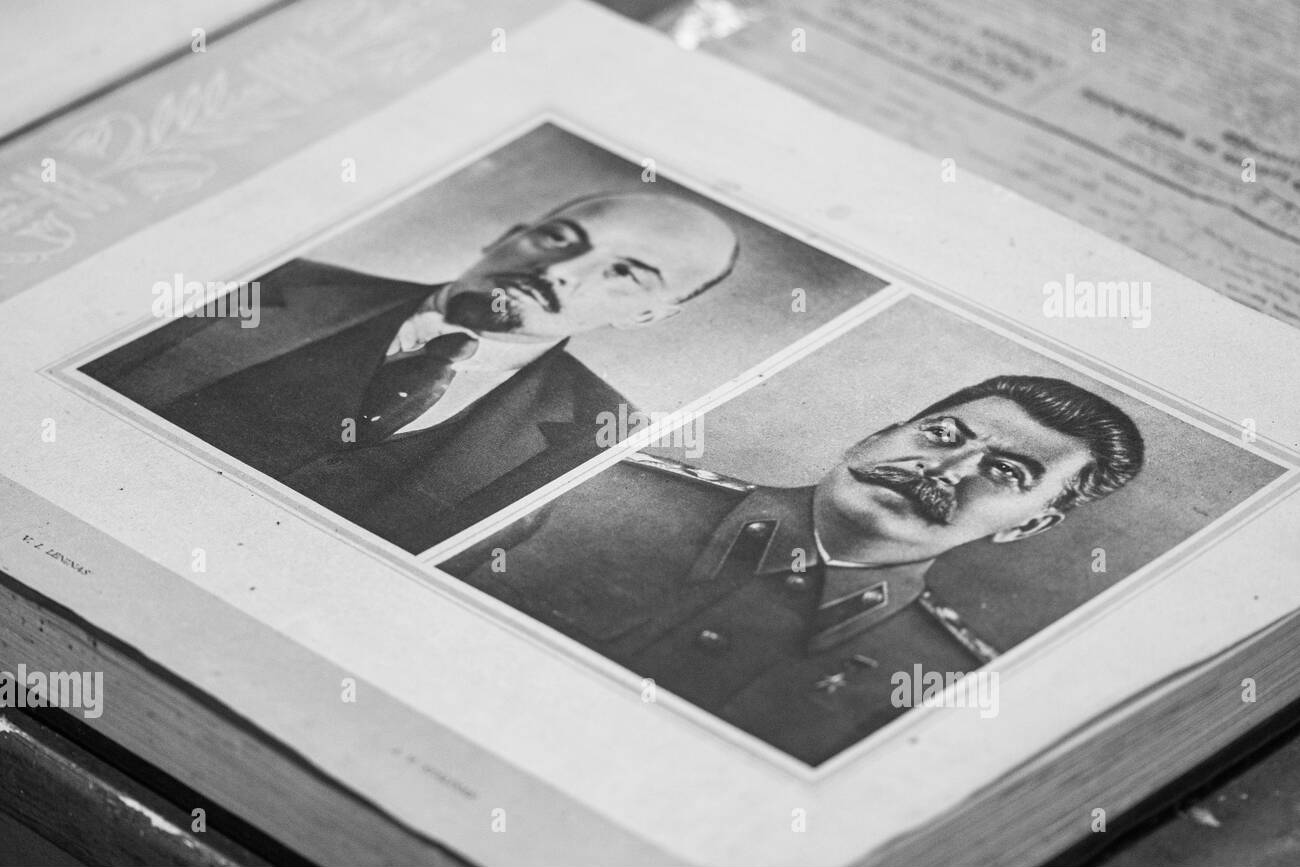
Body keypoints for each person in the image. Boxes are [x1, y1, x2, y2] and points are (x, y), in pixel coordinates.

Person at [443, 375, 1145, 765]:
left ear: (1031, 524)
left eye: (1003, 472)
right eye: (941, 435)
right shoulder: (600, 491)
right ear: (876, 437)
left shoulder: (945, 684)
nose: (942, 469)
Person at [83, 192, 739, 552]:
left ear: (650, 316)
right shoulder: (277, 283)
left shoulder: (601, 440)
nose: (561, 271)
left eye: (625, 273)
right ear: (506, 234)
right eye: (558, 239)